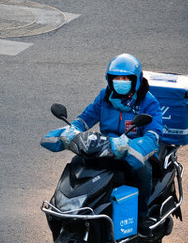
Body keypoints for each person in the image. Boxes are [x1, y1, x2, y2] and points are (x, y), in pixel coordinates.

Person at [59, 53, 165, 202]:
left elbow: (153, 136)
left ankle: (142, 217)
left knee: (143, 171)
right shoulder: (105, 96)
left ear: (135, 80)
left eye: (125, 78)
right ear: (110, 79)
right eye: (116, 78)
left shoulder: (148, 102)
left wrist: (132, 147)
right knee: (77, 162)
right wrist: (73, 130)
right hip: (107, 148)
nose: (120, 82)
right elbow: (86, 118)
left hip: (134, 151)